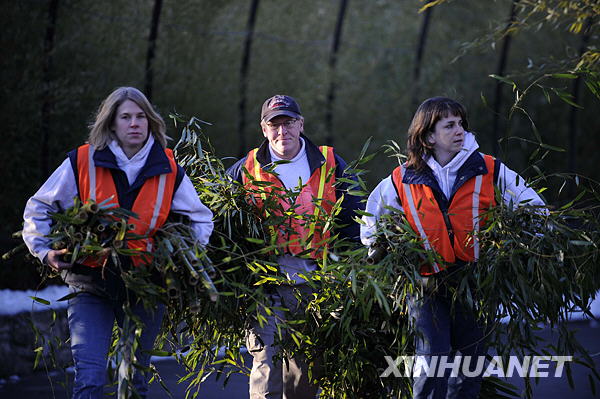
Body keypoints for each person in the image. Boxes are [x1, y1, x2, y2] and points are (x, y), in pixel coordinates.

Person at [22, 87, 214, 399]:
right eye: (125, 117)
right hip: (90, 284)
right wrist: (43, 251)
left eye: (140, 117)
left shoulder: (168, 169)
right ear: (111, 123)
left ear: (151, 122)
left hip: (146, 287)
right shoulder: (82, 161)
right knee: (90, 379)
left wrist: (184, 259)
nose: (134, 123)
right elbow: (39, 206)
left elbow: (201, 219)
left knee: (133, 383)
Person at [361, 97, 545, 399]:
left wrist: (528, 243)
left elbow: (533, 207)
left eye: (461, 124)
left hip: (475, 282)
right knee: (432, 359)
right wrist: (381, 251)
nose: (459, 130)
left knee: (470, 366)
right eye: (449, 125)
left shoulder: (489, 169)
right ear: (428, 136)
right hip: (425, 284)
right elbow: (371, 224)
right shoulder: (401, 179)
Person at [227, 94, 363, 399]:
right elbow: (223, 229)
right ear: (263, 129)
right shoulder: (245, 170)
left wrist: (353, 272)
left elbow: (354, 219)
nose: (281, 131)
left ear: (300, 124)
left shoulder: (330, 163)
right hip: (266, 286)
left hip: (316, 286)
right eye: (274, 125)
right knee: (266, 364)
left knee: (305, 374)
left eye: (288, 123)